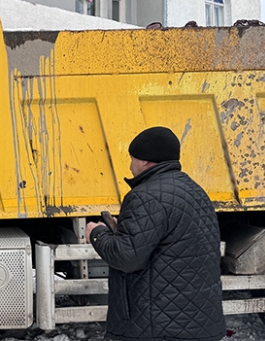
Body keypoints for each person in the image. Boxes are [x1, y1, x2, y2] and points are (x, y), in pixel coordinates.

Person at [85, 126, 225, 341]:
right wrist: (123, 228)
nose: (130, 165)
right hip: (195, 321)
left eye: (132, 158)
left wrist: (98, 234)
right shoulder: (194, 190)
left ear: (145, 161)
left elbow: (127, 257)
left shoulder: (145, 196)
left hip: (159, 327)